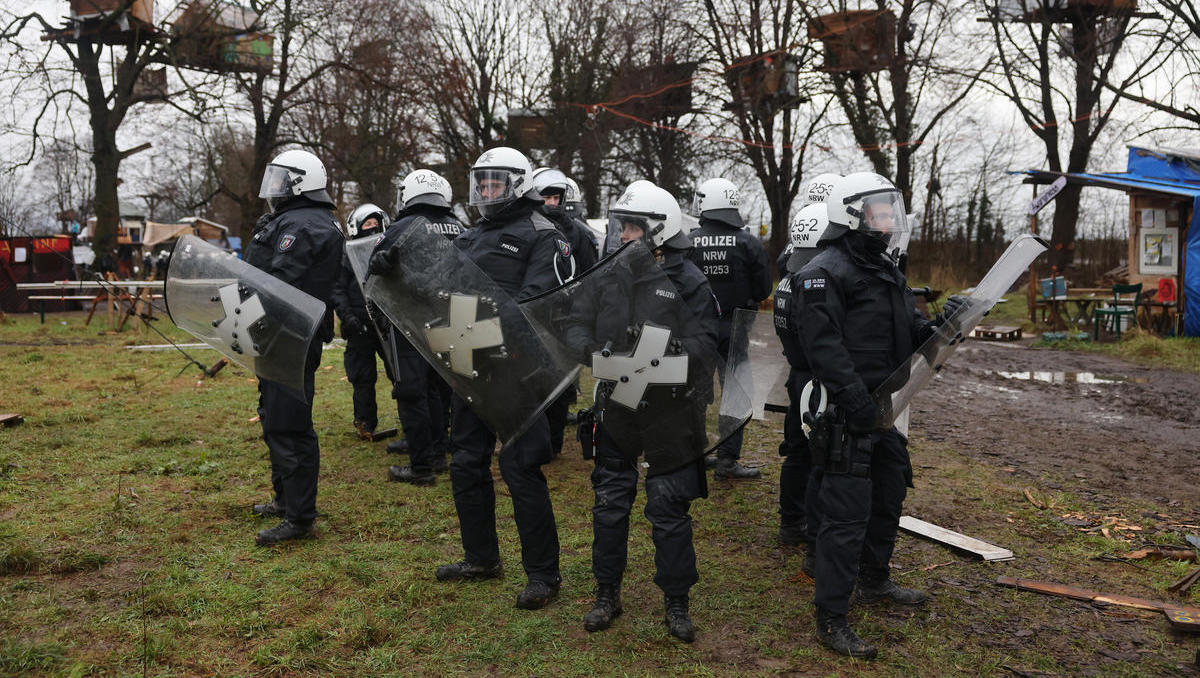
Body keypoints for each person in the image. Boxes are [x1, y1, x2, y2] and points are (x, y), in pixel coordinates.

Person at [792, 171, 938, 658]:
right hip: (846, 412)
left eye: (889, 209)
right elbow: (823, 346)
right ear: (851, 213)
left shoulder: (886, 268)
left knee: (890, 492)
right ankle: (831, 616)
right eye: (878, 209)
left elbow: (907, 329)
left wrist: (941, 324)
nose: (888, 218)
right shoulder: (824, 271)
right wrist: (853, 400)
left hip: (883, 410)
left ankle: (875, 580)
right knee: (845, 517)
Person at [568, 181, 718, 643]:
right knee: (610, 504)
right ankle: (606, 594)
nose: (624, 235)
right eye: (622, 226)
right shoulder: (607, 275)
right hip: (618, 406)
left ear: (660, 228)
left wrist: (678, 350)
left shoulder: (689, 279)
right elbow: (574, 323)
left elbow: (710, 342)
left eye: (634, 226)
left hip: (671, 412)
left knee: (668, 509)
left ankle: (677, 602)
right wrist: (594, 350)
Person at [435, 147, 571, 609]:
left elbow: (541, 304)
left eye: (495, 182)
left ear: (518, 183)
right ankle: (480, 557)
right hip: (469, 359)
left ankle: (543, 574)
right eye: (481, 182)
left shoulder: (543, 234)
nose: (486, 190)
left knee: (520, 467)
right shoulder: (471, 235)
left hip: (517, 368)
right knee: (466, 461)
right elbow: (440, 287)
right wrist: (396, 268)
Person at [247, 149, 344, 546]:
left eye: (282, 179)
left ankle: (299, 517)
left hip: (289, 335)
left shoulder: (304, 225)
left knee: (289, 424)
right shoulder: (299, 219)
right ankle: (286, 500)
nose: (274, 188)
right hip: (278, 334)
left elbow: (279, 284)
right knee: (274, 416)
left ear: (303, 182)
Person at [375, 170, 465, 484]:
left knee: (412, 393)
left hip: (409, 320)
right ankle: (439, 454)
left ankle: (421, 467)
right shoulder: (458, 226)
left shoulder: (401, 227)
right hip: (449, 319)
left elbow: (376, 266)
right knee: (439, 389)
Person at [687, 177, 770, 479]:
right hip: (735, 331)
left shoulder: (688, 240)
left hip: (696, 331)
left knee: (694, 393)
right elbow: (763, 290)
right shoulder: (749, 243)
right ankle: (726, 461)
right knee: (736, 394)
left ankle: (694, 455)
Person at [773, 200, 834, 549]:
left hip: (799, 375)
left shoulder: (787, 276)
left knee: (797, 451)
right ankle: (807, 528)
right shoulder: (810, 280)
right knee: (815, 456)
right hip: (814, 379)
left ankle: (791, 521)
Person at [531, 167, 598, 458]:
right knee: (530, 382)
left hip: (564, 318)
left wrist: (581, 316)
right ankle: (530, 439)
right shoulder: (526, 228)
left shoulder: (579, 233)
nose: (550, 203)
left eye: (555, 197)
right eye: (544, 197)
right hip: (531, 315)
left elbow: (590, 275)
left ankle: (552, 444)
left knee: (558, 384)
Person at [330, 203, 391, 441]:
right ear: (357, 227)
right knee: (362, 376)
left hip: (386, 323)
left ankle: (413, 420)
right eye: (368, 224)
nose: (372, 227)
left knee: (401, 374)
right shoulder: (346, 254)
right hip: (359, 325)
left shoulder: (387, 249)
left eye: (376, 223)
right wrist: (349, 317)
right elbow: (337, 288)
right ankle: (365, 421)